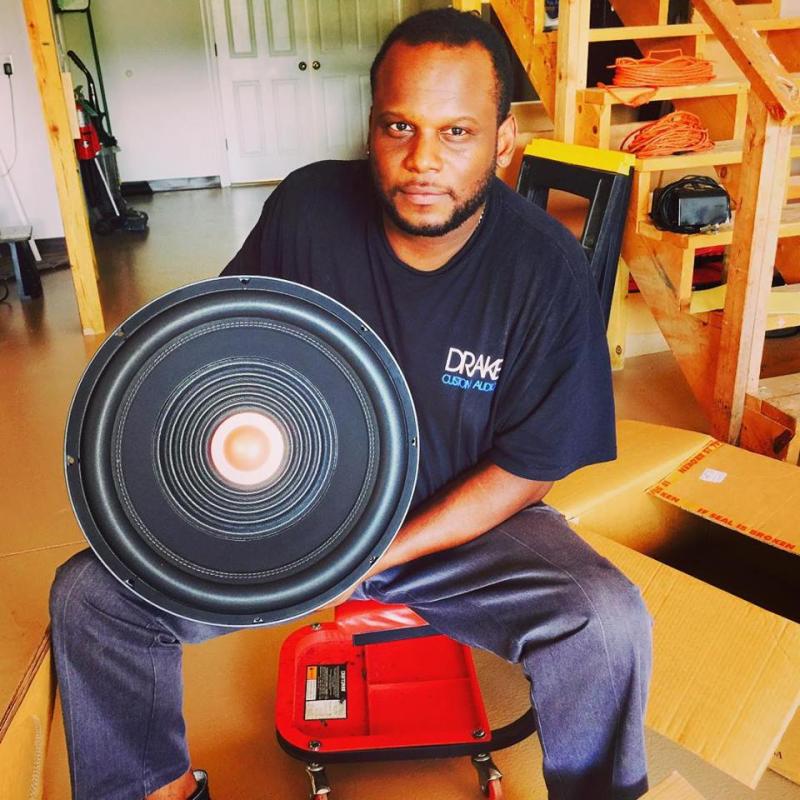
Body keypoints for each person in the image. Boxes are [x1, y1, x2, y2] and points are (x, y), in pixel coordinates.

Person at [50, 9, 652, 800]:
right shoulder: (308, 207)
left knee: (606, 621)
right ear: (371, 127)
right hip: (297, 518)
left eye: (457, 133)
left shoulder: (546, 269)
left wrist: (375, 554)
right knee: (93, 598)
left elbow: (528, 469)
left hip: (456, 531)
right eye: (400, 127)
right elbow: (223, 346)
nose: (423, 161)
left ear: (504, 141)